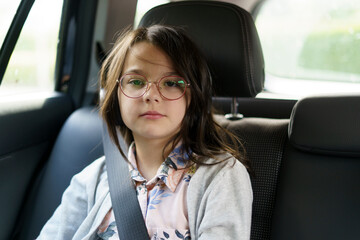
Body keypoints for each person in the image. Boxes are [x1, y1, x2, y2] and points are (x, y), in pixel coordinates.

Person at [38, 25, 253, 240]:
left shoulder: (220, 177)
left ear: (192, 97)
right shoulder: (92, 180)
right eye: (136, 82)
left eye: (170, 83)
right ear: (116, 95)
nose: (150, 95)